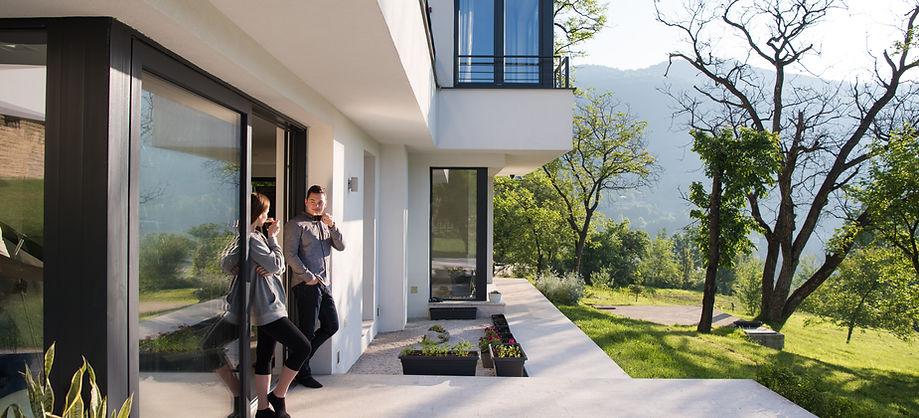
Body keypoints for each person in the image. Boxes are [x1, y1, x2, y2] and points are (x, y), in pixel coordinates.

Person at [248, 192, 311, 418]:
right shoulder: (253, 239)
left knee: (265, 355)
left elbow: (279, 267)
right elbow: (276, 264)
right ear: (257, 213)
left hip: (268, 304)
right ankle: (278, 395)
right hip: (267, 307)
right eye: (265, 211)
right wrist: (273, 238)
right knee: (303, 347)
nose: (267, 215)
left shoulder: (256, 236)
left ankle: (263, 409)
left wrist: (274, 264)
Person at [283, 185, 345, 388]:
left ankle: (298, 363)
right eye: (313, 202)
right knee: (307, 331)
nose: (317, 205)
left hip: (324, 284)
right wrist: (308, 277)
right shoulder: (295, 224)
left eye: (320, 202)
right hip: (306, 284)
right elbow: (290, 255)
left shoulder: (326, 224)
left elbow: (341, 246)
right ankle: (302, 372)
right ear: (306, 201)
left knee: (331, 326)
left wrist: (333, 226)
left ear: (325, 203)